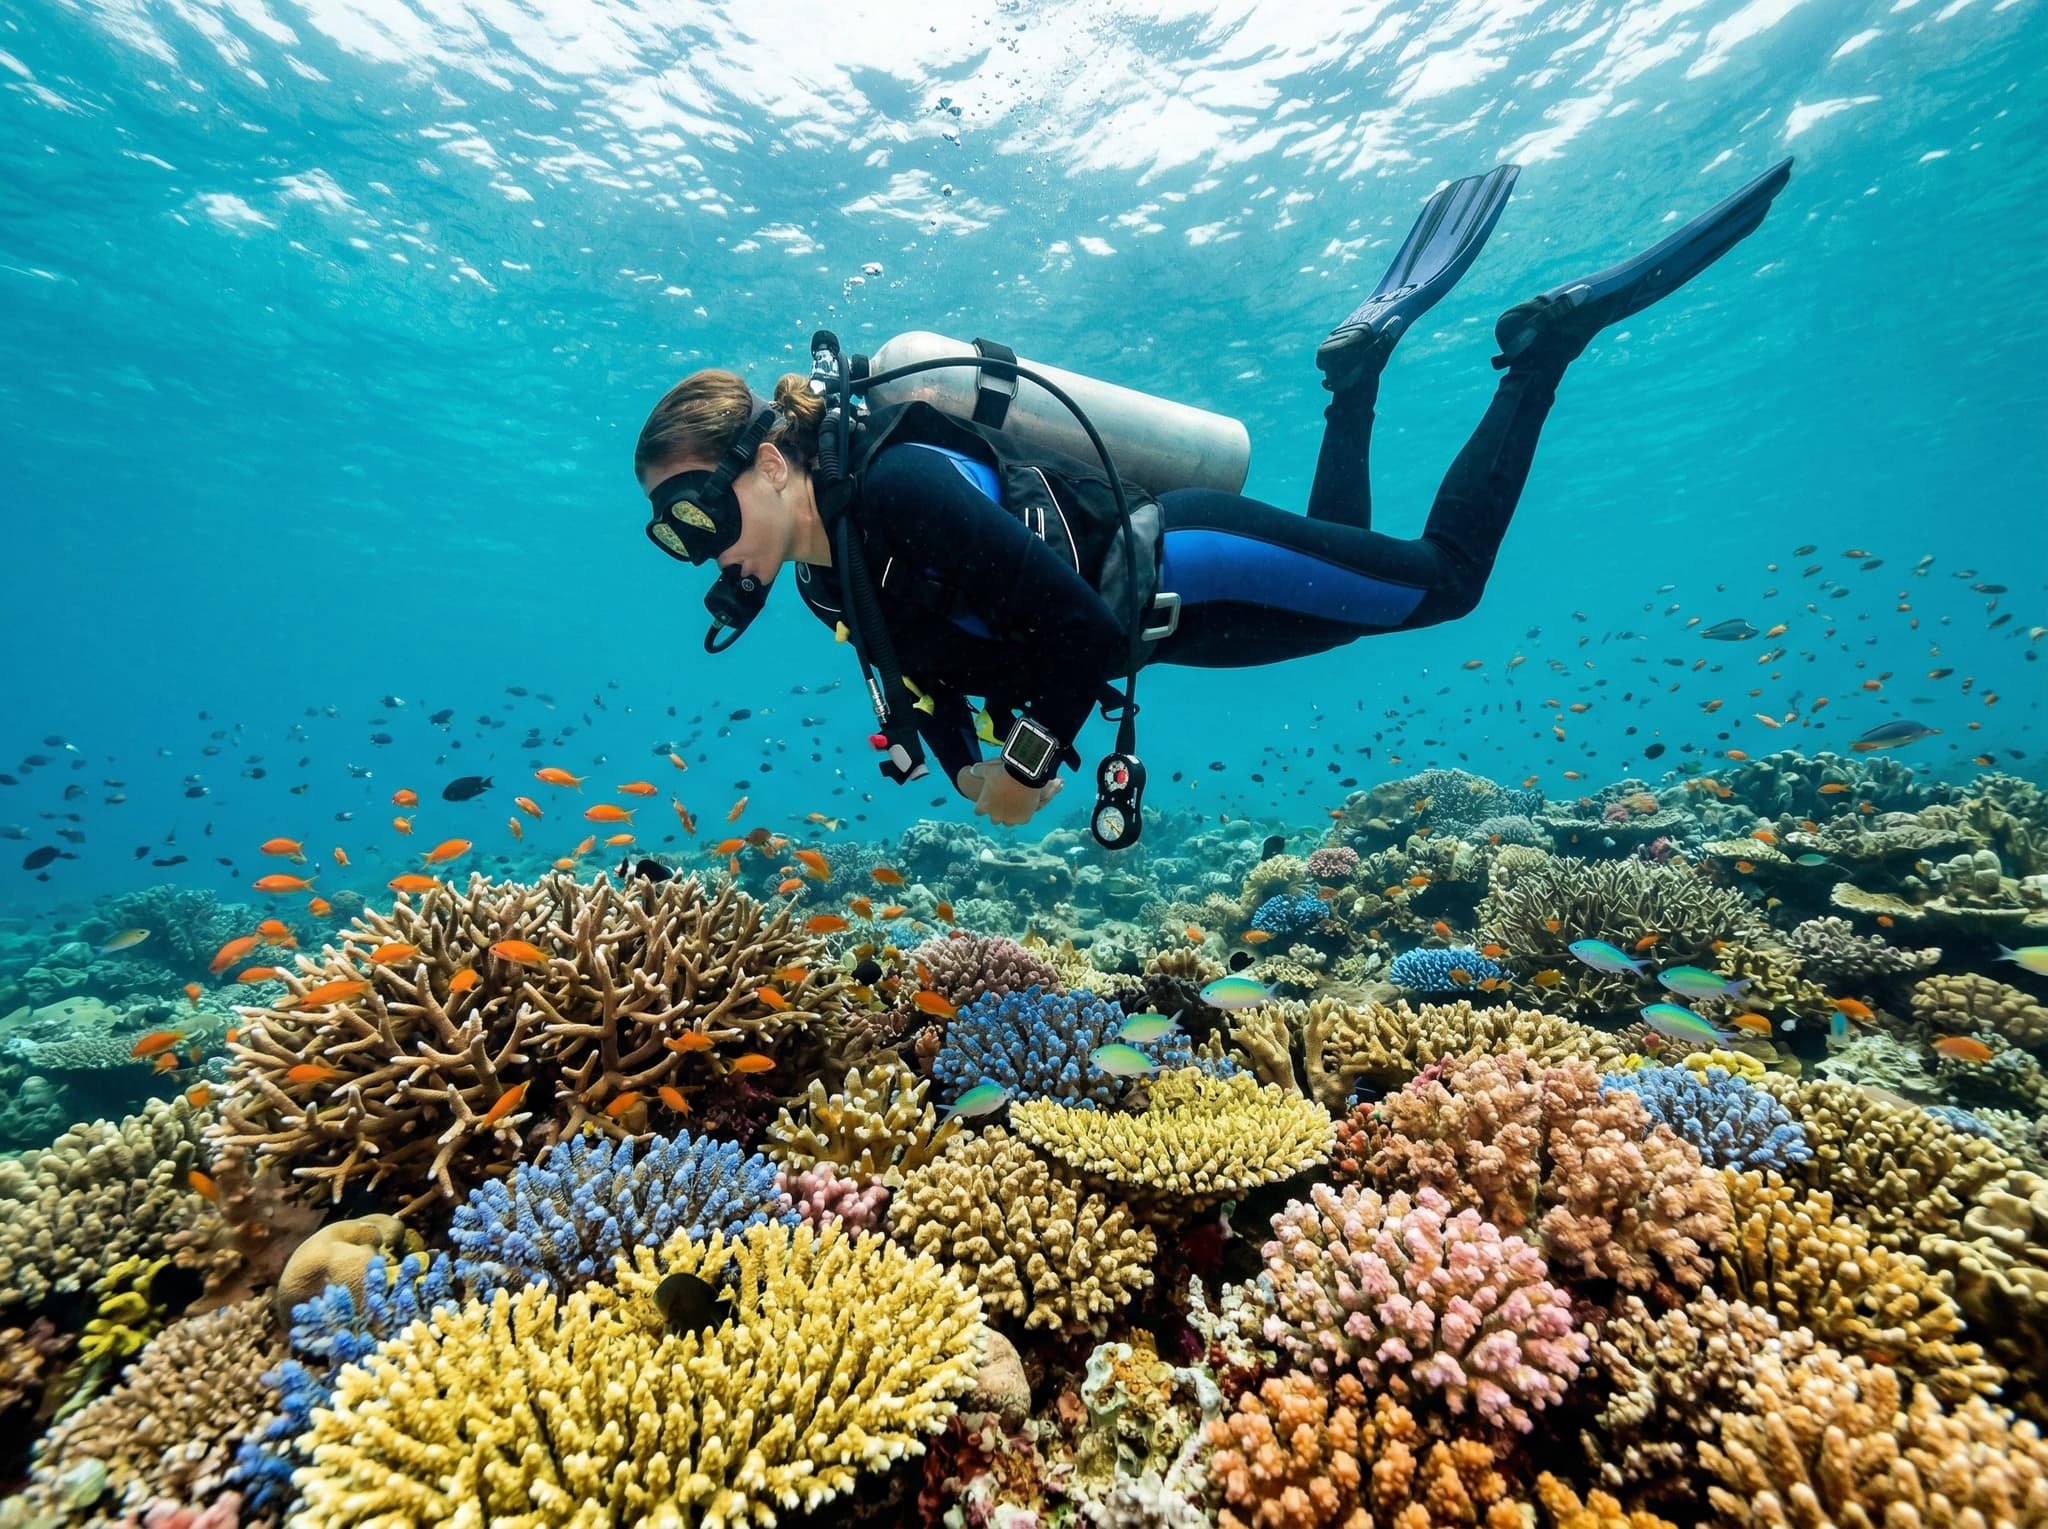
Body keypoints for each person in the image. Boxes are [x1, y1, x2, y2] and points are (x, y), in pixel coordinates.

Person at [636, 159, 1793, 831]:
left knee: (1442, 586)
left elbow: (1078, 632)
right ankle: (1358, 370)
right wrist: (963, 767)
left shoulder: (892, 494)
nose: (697, 550)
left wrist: (1030, 770)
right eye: (671, 534)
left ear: (771, 462)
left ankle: (1544, 346)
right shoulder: (831, 583)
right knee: (1348, 556)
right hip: (1176, 624)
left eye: (697, 510)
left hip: (1182, 567)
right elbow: (924, 687)